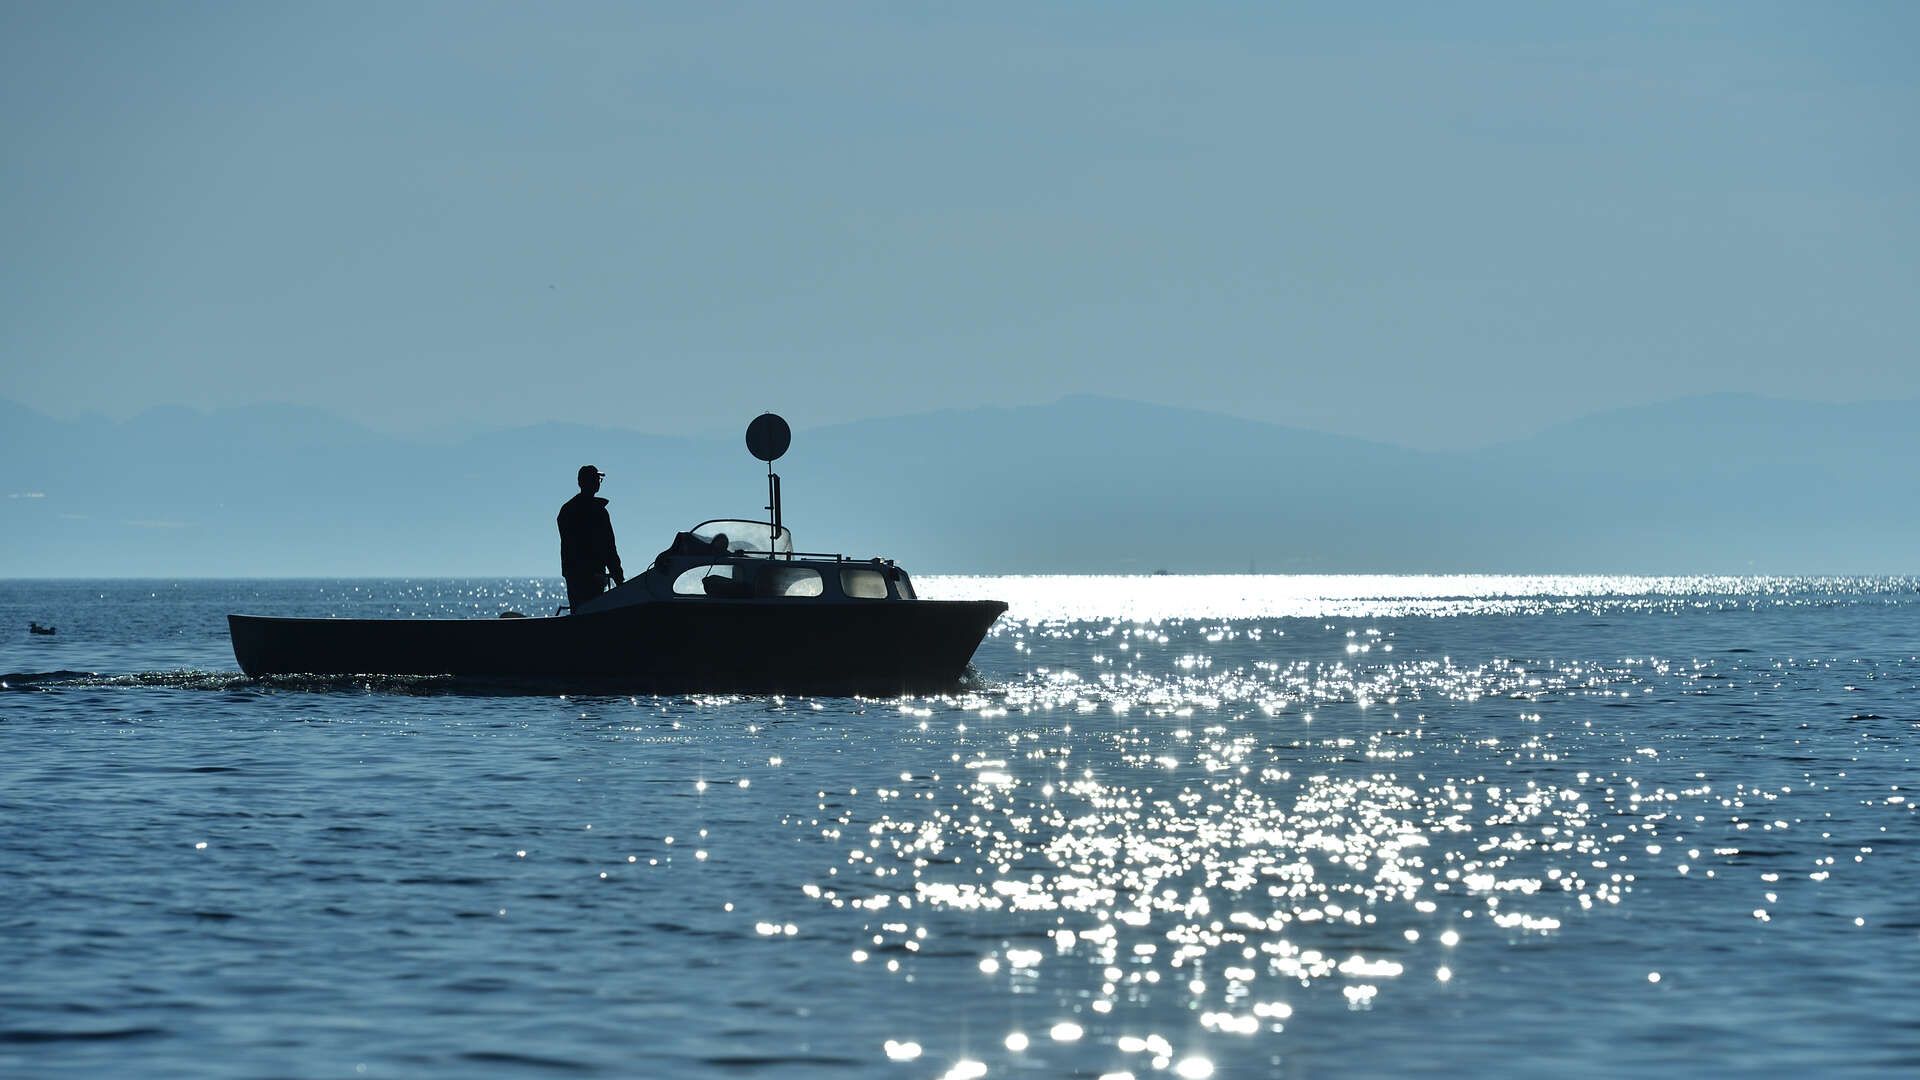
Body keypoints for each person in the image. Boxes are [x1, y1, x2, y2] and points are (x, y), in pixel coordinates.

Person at [557, 464, 625, 612]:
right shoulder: (598, 512)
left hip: (575, 577)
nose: (597, 482)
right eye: (595, 479)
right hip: (591, 577)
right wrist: (618, 577)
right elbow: (609, 547)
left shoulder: (566, 511)